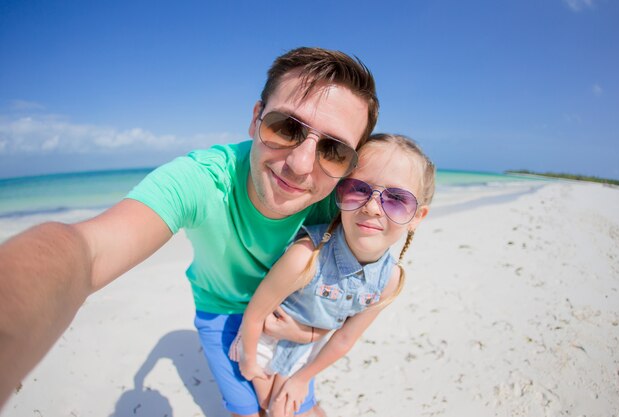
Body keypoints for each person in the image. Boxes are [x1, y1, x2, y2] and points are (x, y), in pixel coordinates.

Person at [0, 46, 379, 416]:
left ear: (349, 163)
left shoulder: (340, 201)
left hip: (293, 315)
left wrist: (312, 333)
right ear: (255, 118)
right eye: (286, 127)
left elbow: (367, 285)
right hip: (221, 310)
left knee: (297, 403)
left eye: (333, 150)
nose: (300, 164)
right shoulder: (201, 180)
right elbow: (88, 251)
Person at [229, 134, 435, 416]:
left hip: (305, 352)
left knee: (284, 408)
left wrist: (302, 378)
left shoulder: (389, 280)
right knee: (266, 407)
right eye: (359, 189)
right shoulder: (307, 254)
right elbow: (255, 314)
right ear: (340, 192)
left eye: (397, 199)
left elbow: (343, 340)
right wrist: (249, 363)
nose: (372, 207)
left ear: (417, 217)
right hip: (263, 339)